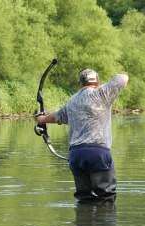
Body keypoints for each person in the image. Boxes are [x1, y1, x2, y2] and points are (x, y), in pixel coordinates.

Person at [36, 69, 129, 202]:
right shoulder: (102, 93)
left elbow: (57, 117)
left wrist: (41, 120)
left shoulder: (72, 101)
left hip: (76, 155)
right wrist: (120, 75)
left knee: (84, 199)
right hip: (98, 153)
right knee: (106, 198)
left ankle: (83, 222)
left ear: (80, 83)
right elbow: (122, 79)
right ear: (97, 82)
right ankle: (102, 221)